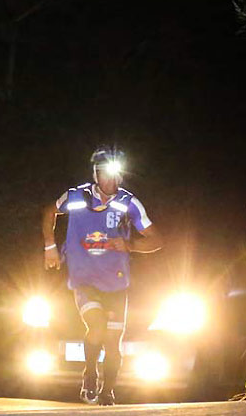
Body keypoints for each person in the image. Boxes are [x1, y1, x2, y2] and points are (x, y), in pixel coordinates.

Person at [41, 146, 162, 406]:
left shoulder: (128, 203)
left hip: (116, 283)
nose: (110, 180)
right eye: (104, 174)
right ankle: (90, 374)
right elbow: (49, 212)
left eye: (114, 174)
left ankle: (108, 392)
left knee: (113, 342)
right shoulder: (77, 196)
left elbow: (157, 239)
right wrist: (50, 247)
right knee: (96, 327)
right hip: (84, 280)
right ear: (95, 175)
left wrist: (130, 245)